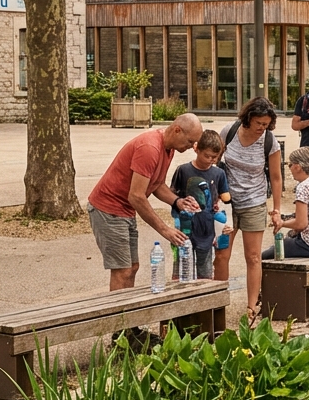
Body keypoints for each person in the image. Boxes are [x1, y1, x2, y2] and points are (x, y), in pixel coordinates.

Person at [87, 113, 203, 291]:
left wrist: (178, 202)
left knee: (132, 267)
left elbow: (156, 184)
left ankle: (128, 313)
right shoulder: (150, 148)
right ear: (177, 130)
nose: (190, 147)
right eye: (189, 142)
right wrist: (165, 230)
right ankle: (120, 317)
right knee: (122, 270)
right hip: (108, 209)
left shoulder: (169, 149)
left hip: (125, 210)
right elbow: (136, 196)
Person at [215, 97, 284, 320]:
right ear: (248, 119)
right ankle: (218, 304)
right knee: (221, 254)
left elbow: (275, 177)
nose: (261, 129)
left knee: (253, 257)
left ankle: (252, 307)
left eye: (266, 125)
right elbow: (213, 161)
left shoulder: (269, 141)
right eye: (258, 124)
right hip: (226, 204)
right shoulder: (230, 131)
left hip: (254, 202)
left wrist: (276, 209)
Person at [170, 130, 232, 280]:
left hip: (206, 228)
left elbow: (226, 200)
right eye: (206, 155)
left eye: (214, 157)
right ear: (196, 149)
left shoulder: (218, 173)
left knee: (205, 271)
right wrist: (177, 217)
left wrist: (228, 221)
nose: (209, 160)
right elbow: (171, 195)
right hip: (185, 228)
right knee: (181, 268)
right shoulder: (183, 170)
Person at [263, 147, 309, 260]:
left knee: (263, 256)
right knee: (289, 238)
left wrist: (282, 223)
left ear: (298, 167)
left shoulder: (303, 187)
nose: (290, 168)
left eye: (290, 164)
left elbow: (301, 224)